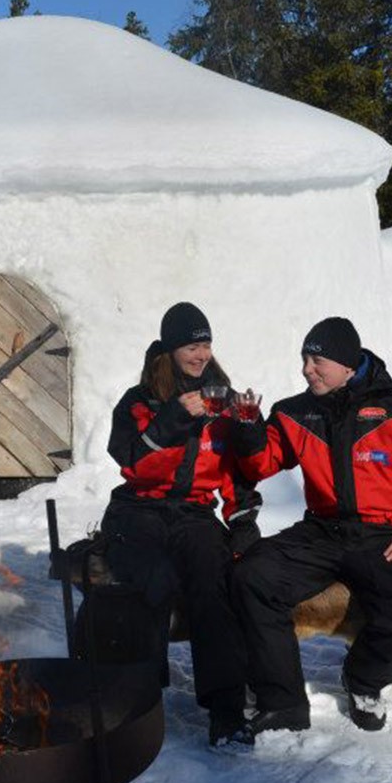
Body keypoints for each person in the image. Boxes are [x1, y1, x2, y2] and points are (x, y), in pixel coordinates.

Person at [229, 317, 392, 734]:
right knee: (251, 576)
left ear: (348, 364)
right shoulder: (295, 412)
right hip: (320, 532)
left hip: (385, 538)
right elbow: (260, 464)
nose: (306, 369)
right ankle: (283, 701)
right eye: (304, 359)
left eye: (317, 360)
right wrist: (247, 428)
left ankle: (363, 680)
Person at [102, 301, 262, 746]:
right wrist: (172, 418)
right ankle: (139, 698)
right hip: (137, 509)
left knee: (214, 578)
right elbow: (131, 460)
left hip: (193, 512)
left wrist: (243, 518)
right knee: (153, 578)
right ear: (170, 349)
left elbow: (239, 469)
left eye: (206, 343)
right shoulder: (140, 402)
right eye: (191, 345)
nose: (201, 354)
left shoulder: (221, 400)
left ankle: (226, 709)